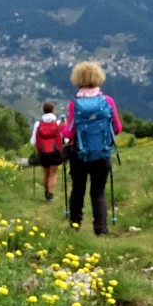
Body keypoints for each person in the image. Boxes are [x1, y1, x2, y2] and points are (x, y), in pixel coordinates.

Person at [62, 60, 122, 234]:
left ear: (77, 79)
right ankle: (101, 229)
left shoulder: (75, 104)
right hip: (102, 155)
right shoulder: (107, 101)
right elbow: (117, 128)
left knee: (78, 190)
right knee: (98, 192)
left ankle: (75, 226)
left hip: (79, 155)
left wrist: (65, 128)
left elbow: (70, 133)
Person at [30, 100, 65, 201]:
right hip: (55, 151)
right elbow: (64, 139)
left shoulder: (38, 124)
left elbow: (33, 141)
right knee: (53, 174)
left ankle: (46, 193)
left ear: (43, 110)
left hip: (43, 152)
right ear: (53, 110)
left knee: (46, 173)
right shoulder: (57, 123)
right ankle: (50, 195)